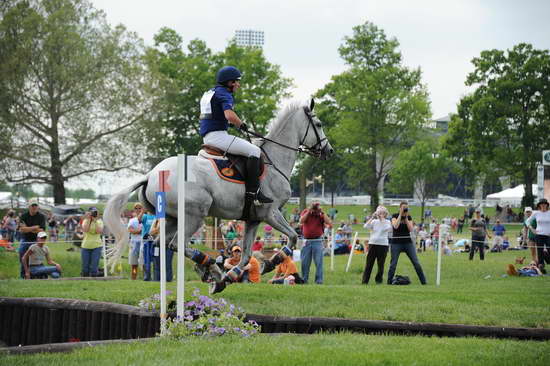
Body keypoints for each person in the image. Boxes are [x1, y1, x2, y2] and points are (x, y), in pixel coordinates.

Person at [199, 66, 272, 205]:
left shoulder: (209, 93)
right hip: (218, 137)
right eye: (236, 82)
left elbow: (212, 115)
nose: (238, 85)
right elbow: (229, 115)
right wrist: (241, 124)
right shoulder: (225, 94)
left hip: (208, 136)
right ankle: (253, 192)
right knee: (255, 150)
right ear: (229, 82)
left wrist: (228, 123)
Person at [387, 202, 427, 285]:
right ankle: (389, 282)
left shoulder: (408, 217)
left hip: (407, 242)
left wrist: (405, 218)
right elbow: (395, 226)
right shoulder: (394, 215)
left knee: (416, 262)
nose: (405, 209)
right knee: (393, 264)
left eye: (406, 208)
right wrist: (400, 215)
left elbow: (411, 229)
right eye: (403, 208)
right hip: (396, 242)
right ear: (400, 208)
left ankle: (424, 282)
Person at [300, 202, 332, 284]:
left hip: (317, 241)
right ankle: (304, 280)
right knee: (304, 262)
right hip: (306, 241)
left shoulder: (321, 214)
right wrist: (309, 211)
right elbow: (301, 220)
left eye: (316, 208)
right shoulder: (305, 212)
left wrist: (321, 212)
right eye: (314, 208)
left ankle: (319, 281)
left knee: (319, 262)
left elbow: (329, 222)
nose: (315, 210)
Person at [362, 205, 392, 284]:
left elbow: (387, 228)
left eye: (381, 212)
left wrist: (382, 218)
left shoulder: (387, 222)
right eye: (378, 212)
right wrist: (372, 217)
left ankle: (378, 281)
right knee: (369, 264)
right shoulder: (374, 221)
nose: (379, 214)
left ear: (385, 214)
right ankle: (365, 281)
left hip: (383, 245)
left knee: (380, 264)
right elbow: (365, 226)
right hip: (372, 244)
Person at [18, 199, 47, 278]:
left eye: (35, 205)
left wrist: (27, 228)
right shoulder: (24, 216)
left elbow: (42, 230)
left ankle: (36, 275)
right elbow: (22, 229)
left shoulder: (41, 216)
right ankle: (23, 275)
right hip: (25, 239)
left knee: (37, 258)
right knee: (22, 254)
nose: (34, 207)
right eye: (32, 205)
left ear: (38, 207)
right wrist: (35, 227)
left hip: (36, 240)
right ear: (29, 206)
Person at [526, 198, 550, 270]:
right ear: (539, 205)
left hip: (548, 235)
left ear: (547, 205)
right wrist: (532, 229)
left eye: (544, 204)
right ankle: (541, 266)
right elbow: (527, 221)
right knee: (540, 251)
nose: (543, 205)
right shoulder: (536, 213)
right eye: (541, 204)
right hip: (539, 235)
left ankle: (546, 259)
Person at [81, 207, 104, 277]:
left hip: (97, 246)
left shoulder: (99, 221)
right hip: (85, 246)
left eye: (95, 212)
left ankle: (95, 277)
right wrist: (88, 219)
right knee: (85, 268)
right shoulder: (85, 220)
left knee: (94, 268)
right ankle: (85, 279)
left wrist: (95, 220)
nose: (94, 214)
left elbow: (99, 231)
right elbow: (85, 230)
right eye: (92, 212)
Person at [127, 203, 143, 280]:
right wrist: (139, 231)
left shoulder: (146, 218)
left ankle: (145, 277)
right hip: (134, 243)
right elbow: (130, 230)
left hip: (143, 242)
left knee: (144, 263)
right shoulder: (132, 220)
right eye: (136, 208)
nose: (138, 210)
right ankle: (134, 278)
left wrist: (136, 231)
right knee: (134, 263)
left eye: (140, 208)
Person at [141, 208, 156, 281]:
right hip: (146, 240)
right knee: (146, 259)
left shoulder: (156, 216)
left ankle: (155, 276)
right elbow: (139, 220)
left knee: (155, 259)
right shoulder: (145, 216)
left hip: (154, 240)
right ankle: (147, 276)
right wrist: (142, 211)